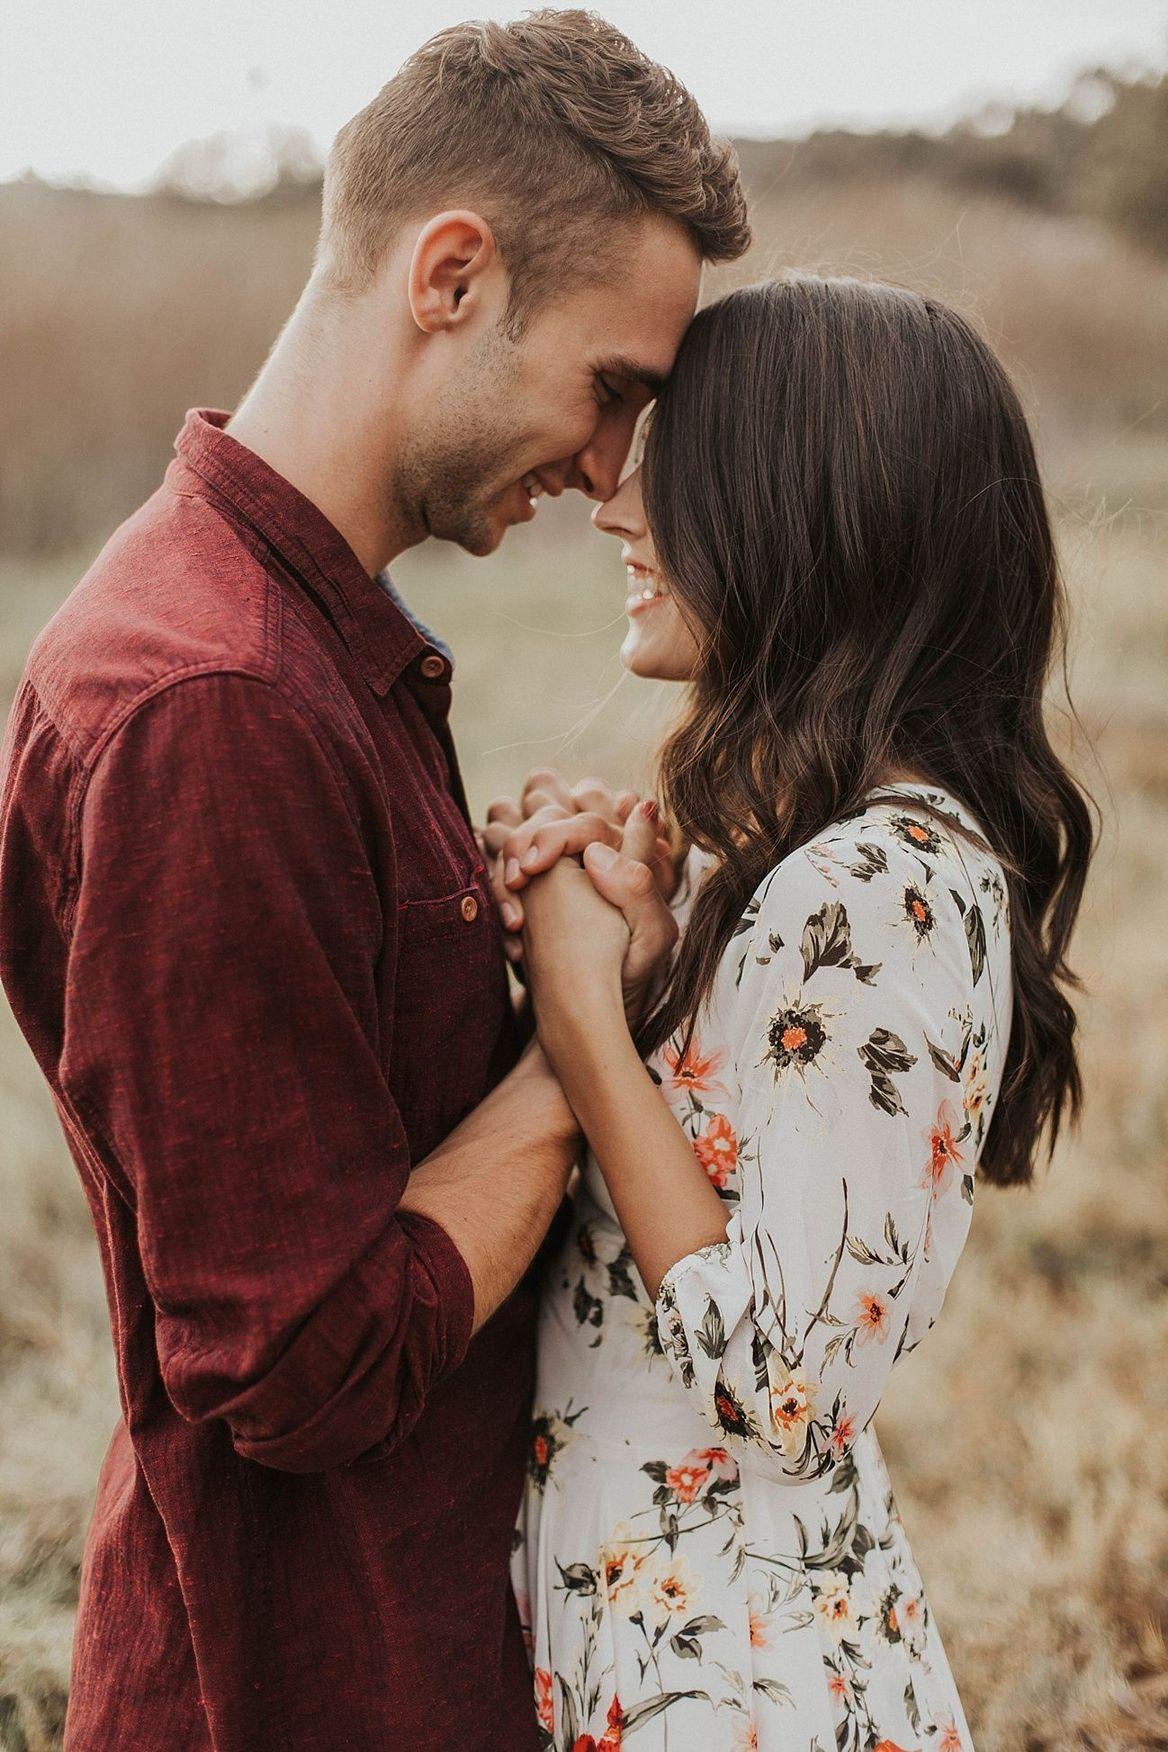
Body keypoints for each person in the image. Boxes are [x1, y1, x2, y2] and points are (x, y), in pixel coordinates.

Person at [0, 15, 749, 1750]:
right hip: (313, 1685)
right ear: (452, 276)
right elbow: (305, 1365)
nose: (610, 469)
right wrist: (581, 1038)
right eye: (612, 388)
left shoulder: (297, 639)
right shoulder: (216, 704)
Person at [490, 275, 1094, 1749]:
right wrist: (642, 970)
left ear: (802, 515)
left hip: (741, 1682)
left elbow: (784, 1388)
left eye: (674, 472)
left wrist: (581, 1022)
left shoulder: (883, 881)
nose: (613, 509)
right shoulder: (800, 864)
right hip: (665, 1639)